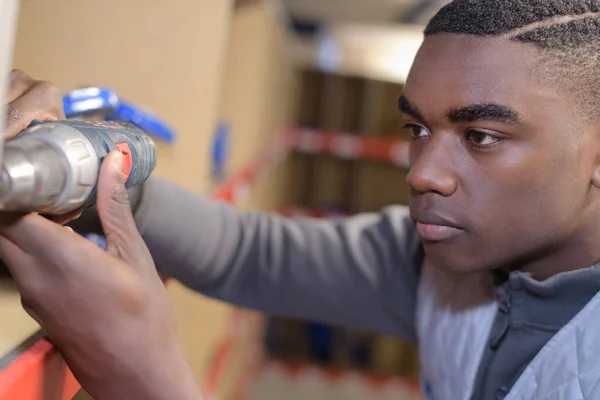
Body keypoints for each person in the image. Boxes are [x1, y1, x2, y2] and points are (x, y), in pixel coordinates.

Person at [3, 0, 600, 399]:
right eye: (417, 130)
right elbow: (248, 253)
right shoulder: (442, 257)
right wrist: (72, 163)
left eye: (481, 137)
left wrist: (143, 375)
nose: (423, 175)